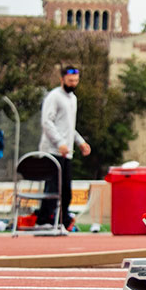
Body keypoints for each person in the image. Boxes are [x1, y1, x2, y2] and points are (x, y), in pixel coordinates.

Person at [39, 64, 90, 233]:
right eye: (70, 81)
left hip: (66, 152)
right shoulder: (54, 97)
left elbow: (68, 126)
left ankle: (62, 220)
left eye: (76, 81)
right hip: (53, 151)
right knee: (52, 187)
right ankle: (44, 220)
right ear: (62, 80)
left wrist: (80, 142)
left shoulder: (72, 99)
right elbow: (47, 122)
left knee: (66, 190)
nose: (73, 84)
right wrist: (59, 142)